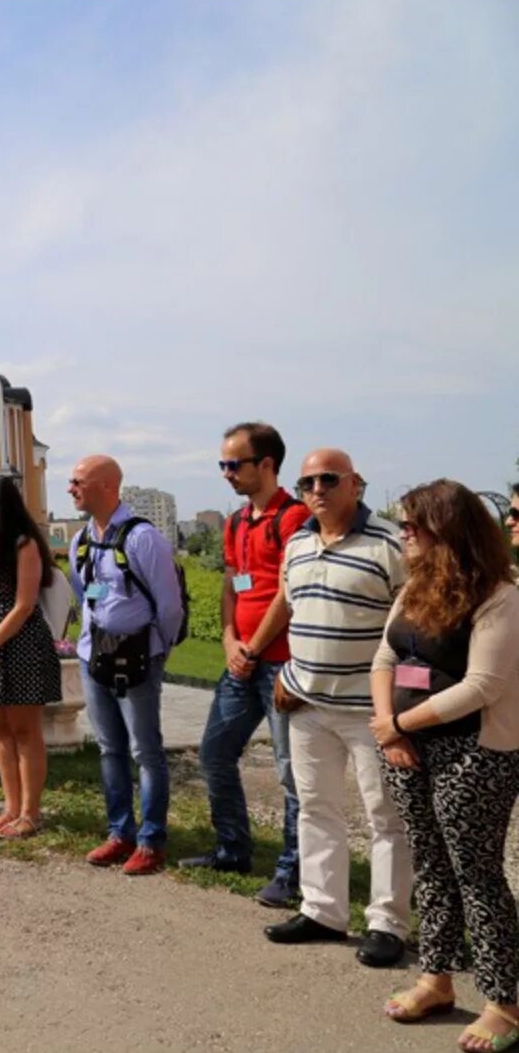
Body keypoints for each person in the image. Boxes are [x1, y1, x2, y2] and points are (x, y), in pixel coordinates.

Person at [366, 480, 519, 1051]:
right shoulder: (413, 590)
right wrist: (388, 729)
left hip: (475, 754)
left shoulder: (500, 596)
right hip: (408, 747)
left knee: (477, 876)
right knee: (429, 865)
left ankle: (504, 1001)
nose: (403, 532)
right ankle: (437, 979)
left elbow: (484, 685)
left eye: (413, 525)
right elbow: (385, 657)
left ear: (447, 530)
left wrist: (402, 725)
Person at [261, 448, 411, 968]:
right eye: (307, 482)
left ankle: (388, 923)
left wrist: (398, 707)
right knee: (316, 808)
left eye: (329, 479)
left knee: (385, 817)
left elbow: (416, 629)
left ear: (355, 484)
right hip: (306, 704)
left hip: (369, 710)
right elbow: (295, 609)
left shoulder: (390, 542)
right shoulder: (298, 542)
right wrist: (286, 669)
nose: (317, 489)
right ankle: (323, 910)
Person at [181, 423, 308, 907]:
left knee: (290, 773)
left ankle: (291, 872)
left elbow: (289, 591)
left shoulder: (294, 518)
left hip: (281, 665)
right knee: (214, 753)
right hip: (244, 661)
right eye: (223, 465)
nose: (227, 473)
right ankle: (233, 849)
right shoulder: (236, 523)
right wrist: (231, 640)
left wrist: (253, 647)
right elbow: (233, 582)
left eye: (235, 464)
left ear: (268, 465)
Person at [67, 455, 183, 876]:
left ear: (106, 486)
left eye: (78, 481)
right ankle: (120, 833)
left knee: (144, 751)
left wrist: (159, 650)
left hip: (138, 658)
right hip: (94, 655)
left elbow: (170, 605)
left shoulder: (143, 538)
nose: (70, 488)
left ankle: (151, 840)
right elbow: (85, 594)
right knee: (109, 749)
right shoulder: (82, 539)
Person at [0, 476, 62, 838]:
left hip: (20, 646)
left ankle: (30, 813)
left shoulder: (23, 544)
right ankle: (10, 807)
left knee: (24, 729)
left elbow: (23, 605)